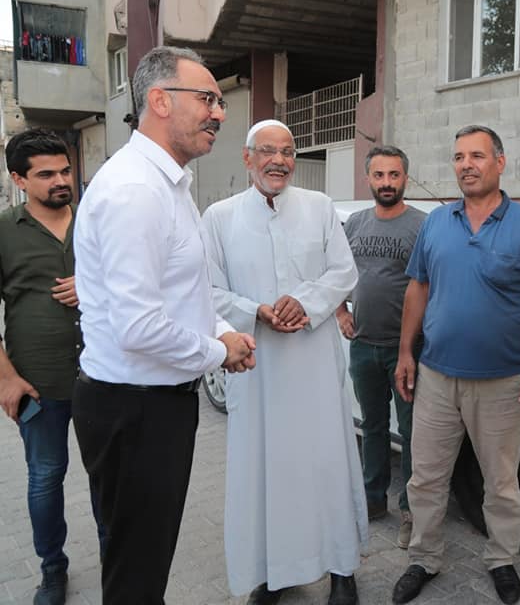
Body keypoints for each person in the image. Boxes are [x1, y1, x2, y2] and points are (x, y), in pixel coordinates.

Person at [71, 45, 256, 605]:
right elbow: (139, 327)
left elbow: (183, 292)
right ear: (159, 101)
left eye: (220, 102)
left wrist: (219, 329)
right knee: (136, 574)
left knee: (140, 562)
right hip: (135, 411)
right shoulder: (136, 191)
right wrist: (219, 352)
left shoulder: (168, 184)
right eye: (207, 99)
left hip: (152, 405)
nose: (219, 113)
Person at [201, 119, 365, 605]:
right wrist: (256, 311)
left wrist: (305, 301)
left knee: (327, 466)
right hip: (258, 368)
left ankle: (341, 569)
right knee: (265, 475)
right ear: (247, 157)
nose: (279, 160)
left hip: (315, 366)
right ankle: (273, 574)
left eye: (288, 152)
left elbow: (344, 271)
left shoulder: (319, 207)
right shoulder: (219, 217)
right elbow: (206, 290)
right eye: (267, 151)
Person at [390, 125, 520, 605]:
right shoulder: (437, 223)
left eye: (477, 156)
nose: (466, 165)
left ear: (500, 162)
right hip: (437, 376)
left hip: (501, 382)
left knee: (501, 482)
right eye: (459, 157)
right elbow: (418, 288)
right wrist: (405, 352)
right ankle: (424, 556)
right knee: (425, 477)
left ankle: (502, 559)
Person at [0, 129, 104, 605]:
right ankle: (52, 571)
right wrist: (7, 379)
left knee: (107, 476)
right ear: (19, 179)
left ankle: (115, 561)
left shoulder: (95, 220)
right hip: (37, 382)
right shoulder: (5, 231)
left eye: (65, 170)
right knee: (45, 477)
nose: (61, 180)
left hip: (103, 375)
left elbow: (136, 281)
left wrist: (92, 285)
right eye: (46, 174)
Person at [335, 145, 426, 548]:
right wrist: (340, 311)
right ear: (368, 178)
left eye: (394, 175)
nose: (386, 183)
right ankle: (373, 500)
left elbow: (431, 285)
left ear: (405, 177)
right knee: (372, 426)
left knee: (412, 432)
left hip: (406, 350)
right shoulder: (354, 223)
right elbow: (335, 272)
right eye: (379, 175)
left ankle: (411, 510)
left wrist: (410, 347)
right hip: (363, 346)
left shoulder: (422, 225)